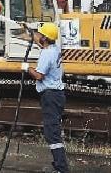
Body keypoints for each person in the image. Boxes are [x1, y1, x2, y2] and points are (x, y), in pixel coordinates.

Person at [22, 22, 69, 173]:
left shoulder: (47, 54)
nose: (39, 36)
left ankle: (62, 168)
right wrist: (28, 30)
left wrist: (26, 68)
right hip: (57, 95)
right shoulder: (54, 48)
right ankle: (59, 165)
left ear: (45, 38)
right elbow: (39, 41)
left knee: (52, 133)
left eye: (41, 34)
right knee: (53, 131)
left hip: (50, 96)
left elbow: (39, 76)